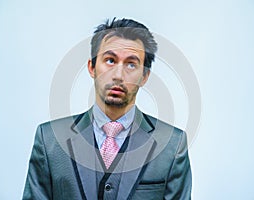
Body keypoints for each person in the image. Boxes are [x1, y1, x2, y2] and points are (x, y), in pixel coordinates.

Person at [23, 18, 192, 200]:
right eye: (110, 60)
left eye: (131, 64)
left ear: (145, 76)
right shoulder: (49, 139)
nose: (119, 75)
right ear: (92, 67)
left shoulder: (173, 145)